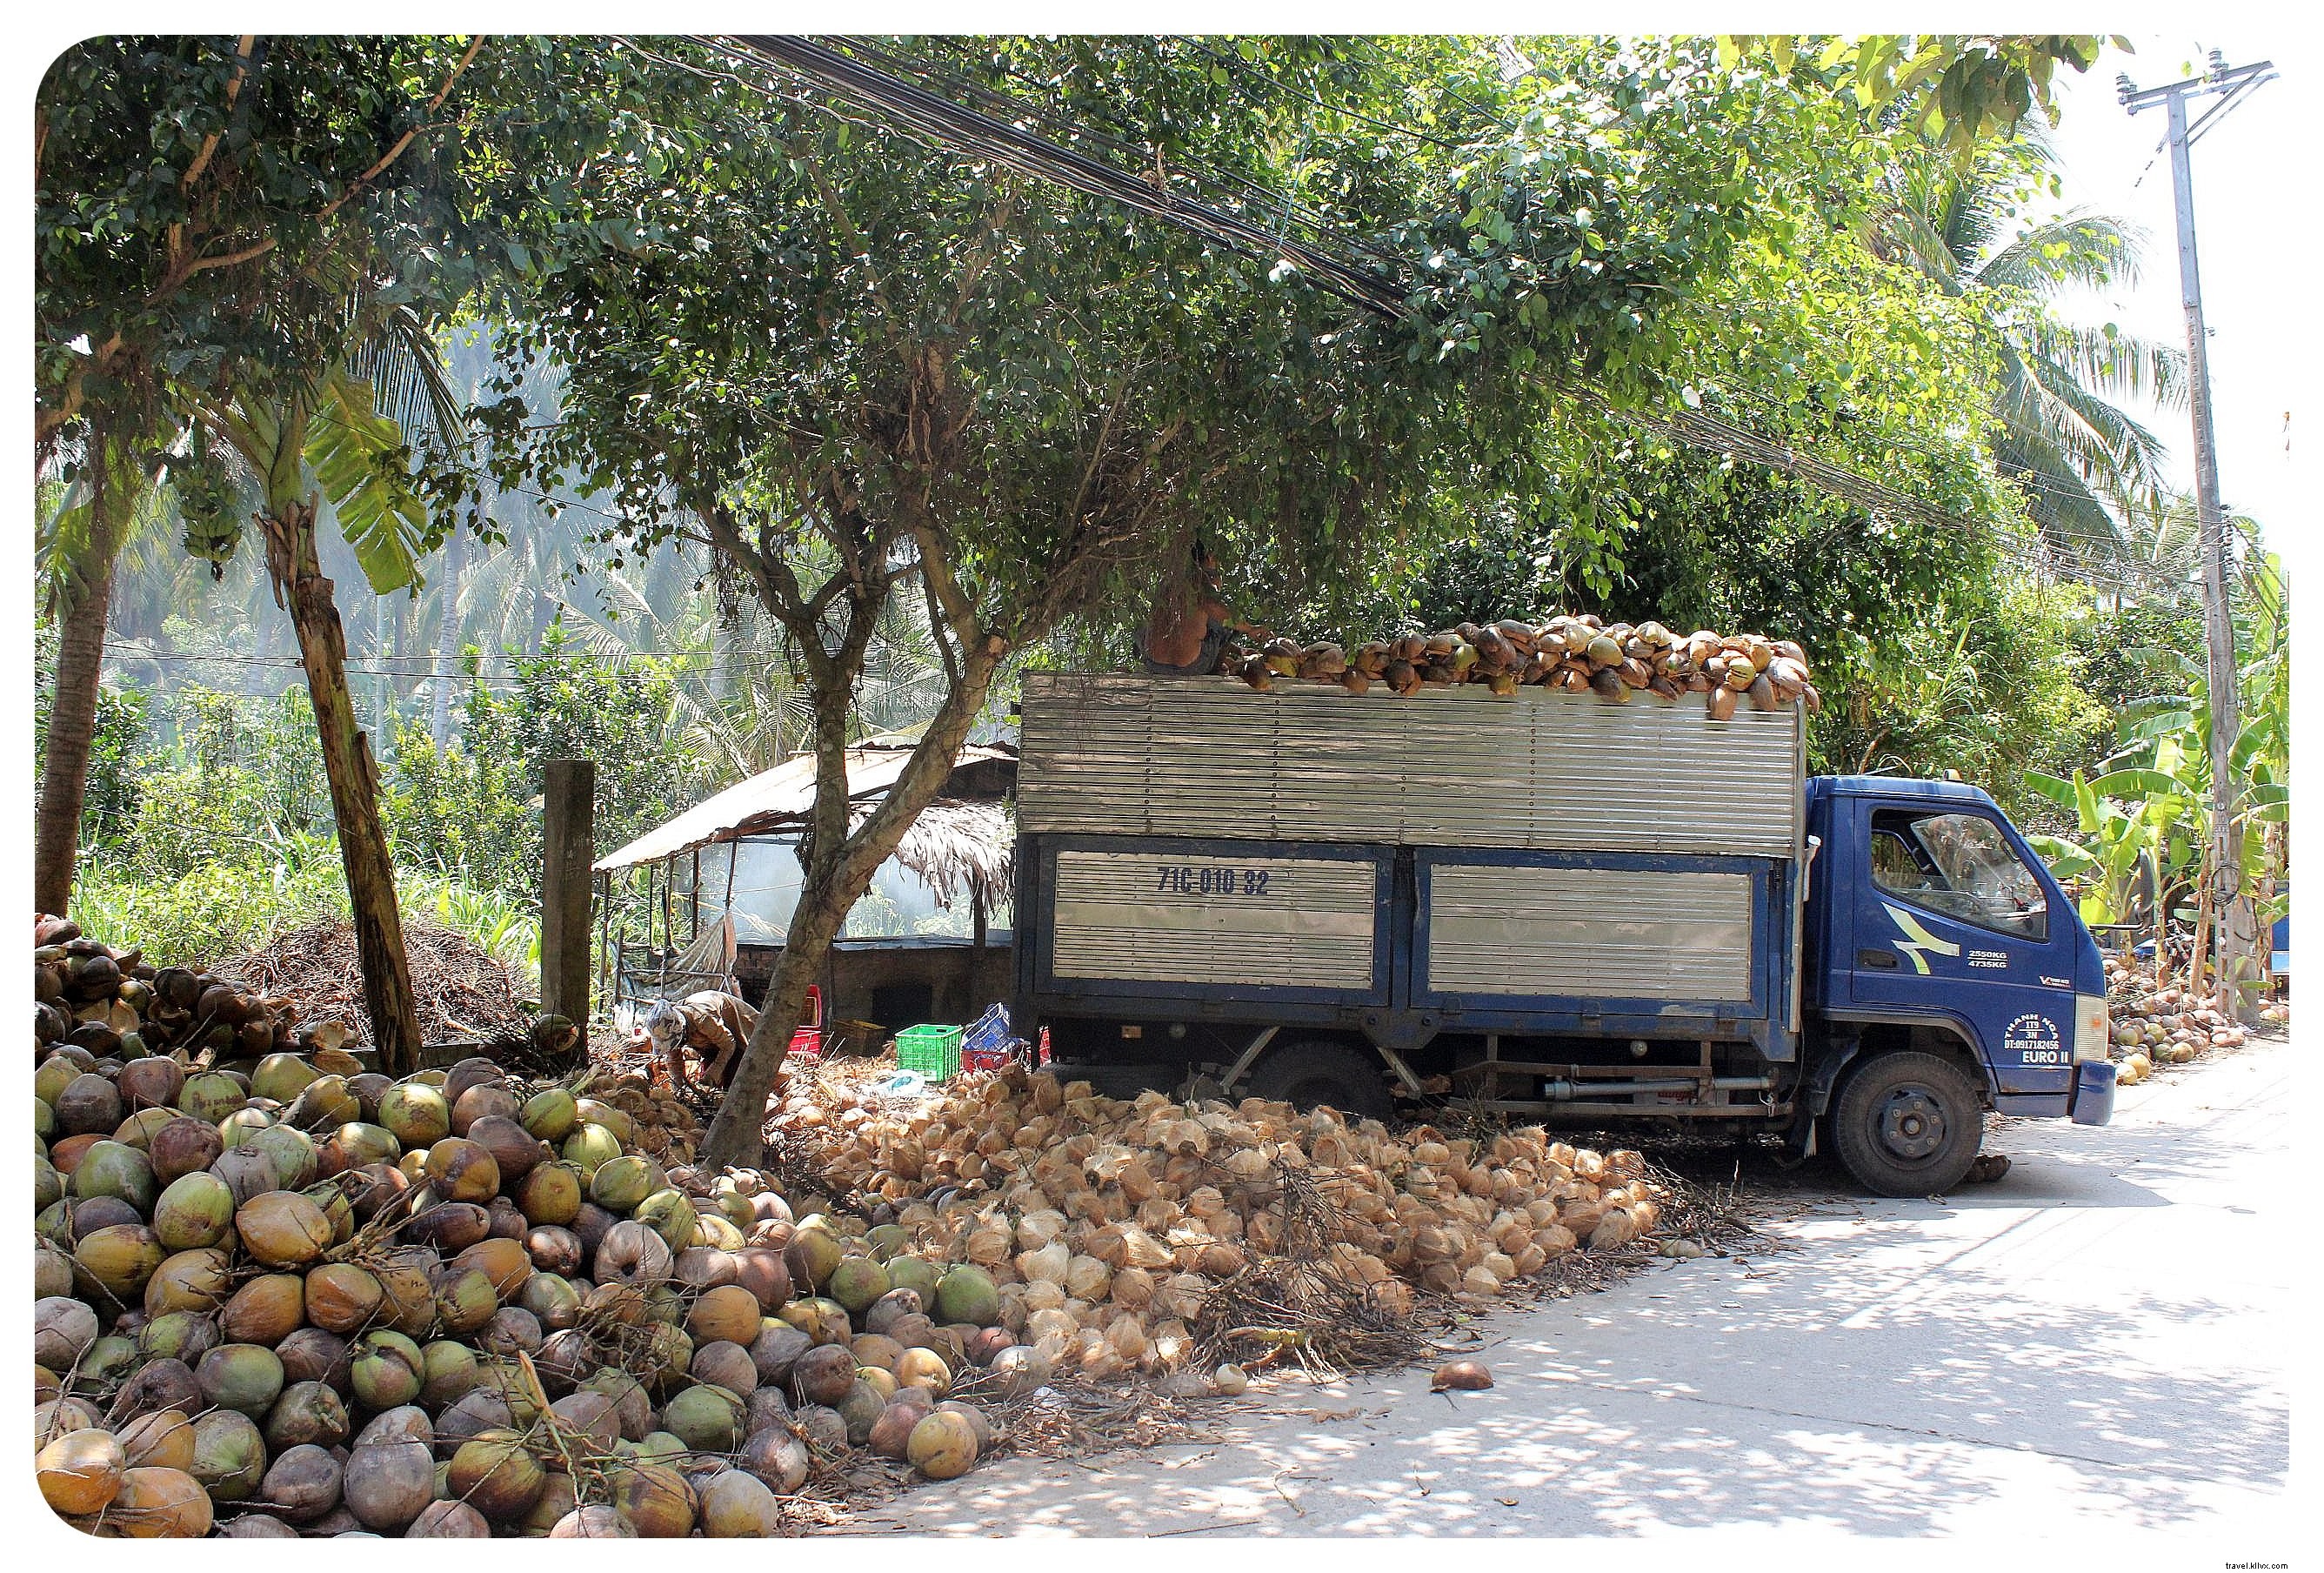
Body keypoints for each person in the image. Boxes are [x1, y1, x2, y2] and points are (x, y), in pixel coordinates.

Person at [1137, 541, 1268, 675]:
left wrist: (1239, 650)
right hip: (1191, 667)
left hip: (1154, 664)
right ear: (1210, 557)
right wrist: (1250, 628)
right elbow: (1216, 610)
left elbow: (1187, 630)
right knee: (1228, 618)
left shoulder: (1166, 582)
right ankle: (1215, 670)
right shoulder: (1199, 579)